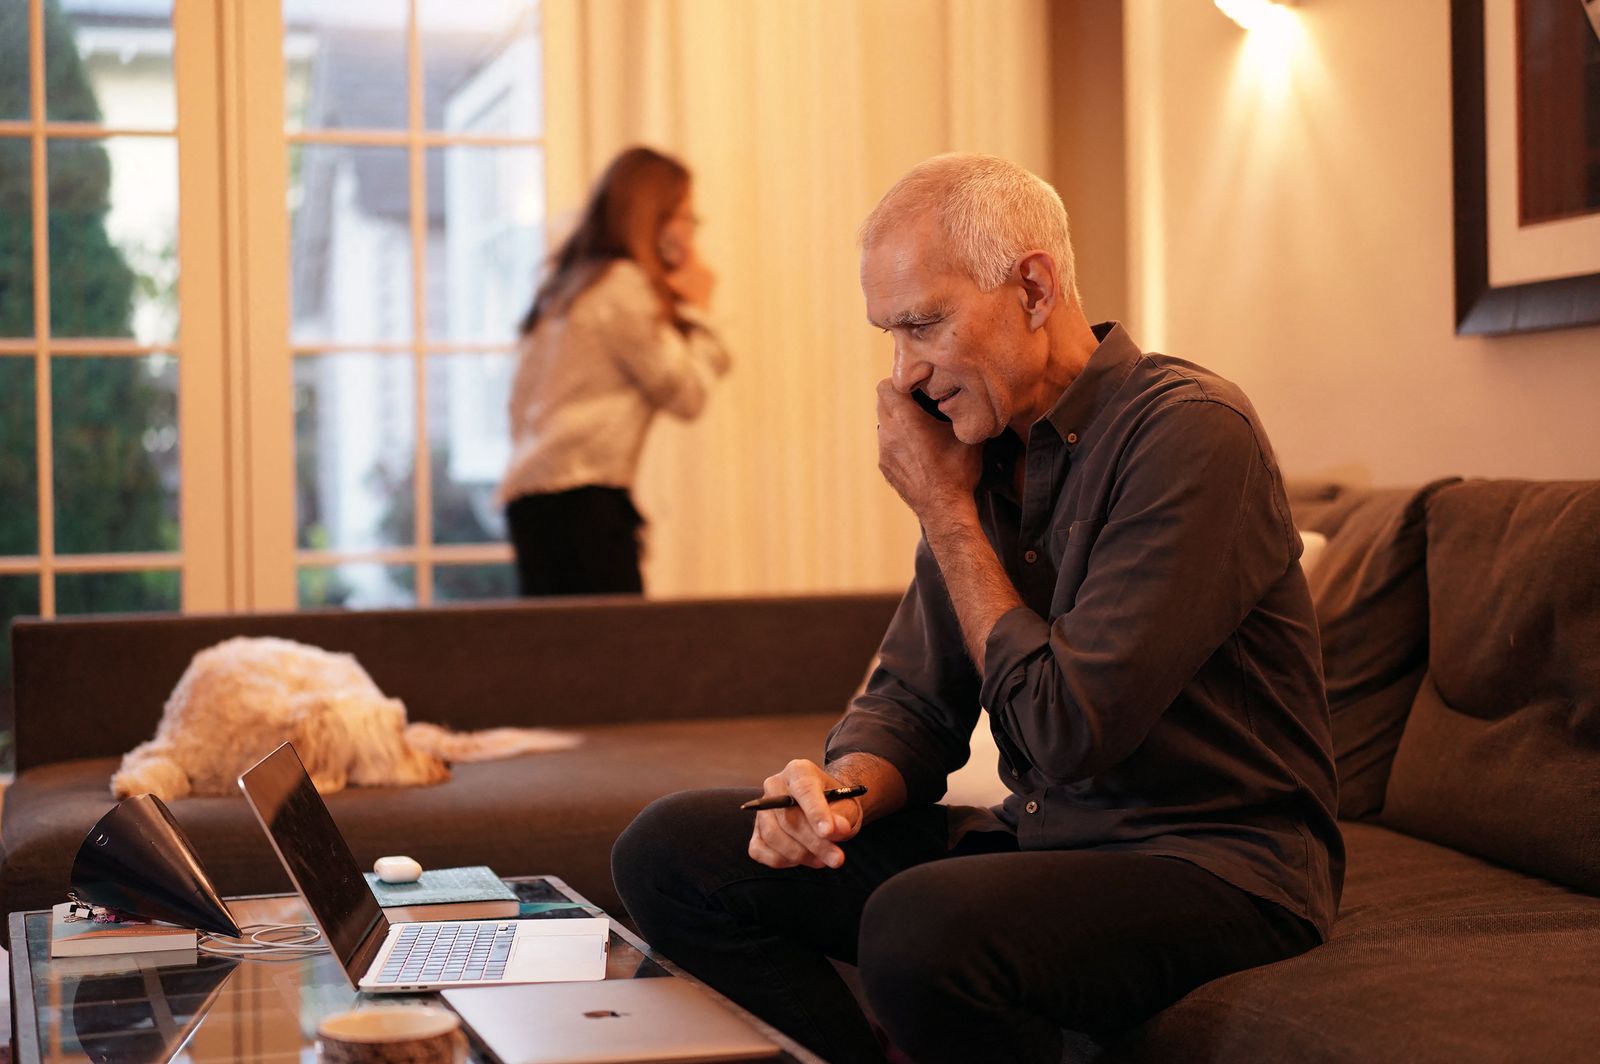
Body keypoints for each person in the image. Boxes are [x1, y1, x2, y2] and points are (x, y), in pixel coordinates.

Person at [611, 153, 1343, 1064]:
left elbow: (1066, 730)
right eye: (888, 335)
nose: (905, 373)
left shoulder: (1190, 433)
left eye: (924, 324)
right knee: (673, 850)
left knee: (922, 928)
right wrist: (834, 800)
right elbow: (916, 703)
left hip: (1214, 863)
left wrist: (945, 511)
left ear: (1034, 288)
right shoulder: (988, 447)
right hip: (1044, 843)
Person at [499, 146, 729, 596]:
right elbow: (686, 394)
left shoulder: (566, 288)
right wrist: (701, 311)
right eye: (685, 217)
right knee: (618, 655)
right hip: (583, 501)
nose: (689, 232)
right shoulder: (622, 286)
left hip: (533, 499)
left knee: (561, 656)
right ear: (657, 222)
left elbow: (518, 404)